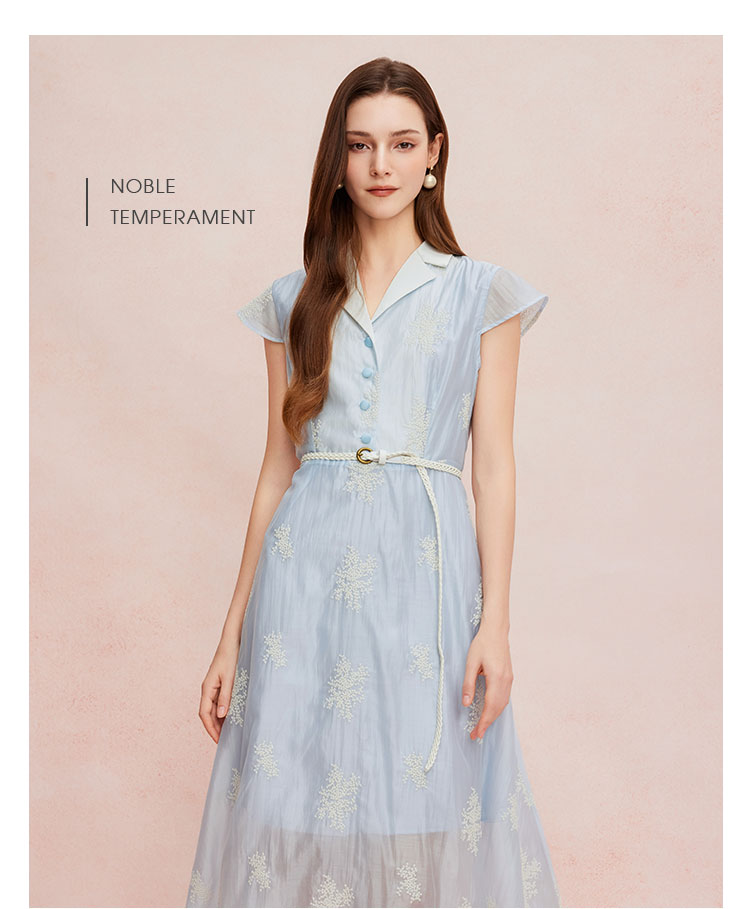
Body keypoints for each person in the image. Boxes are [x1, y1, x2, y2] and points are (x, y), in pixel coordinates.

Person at [186, 56, 561, 909]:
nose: (380, 165)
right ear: (338, 158)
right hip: (304, 577)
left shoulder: (481, 295)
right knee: (294, 806)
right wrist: (230, 632)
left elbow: (494, 464)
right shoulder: (295, 299)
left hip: (424, 575)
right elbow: (277, 466)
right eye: (359, 145)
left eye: (401, 143)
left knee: (424, 799)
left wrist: (496, 622)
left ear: (435, 153)